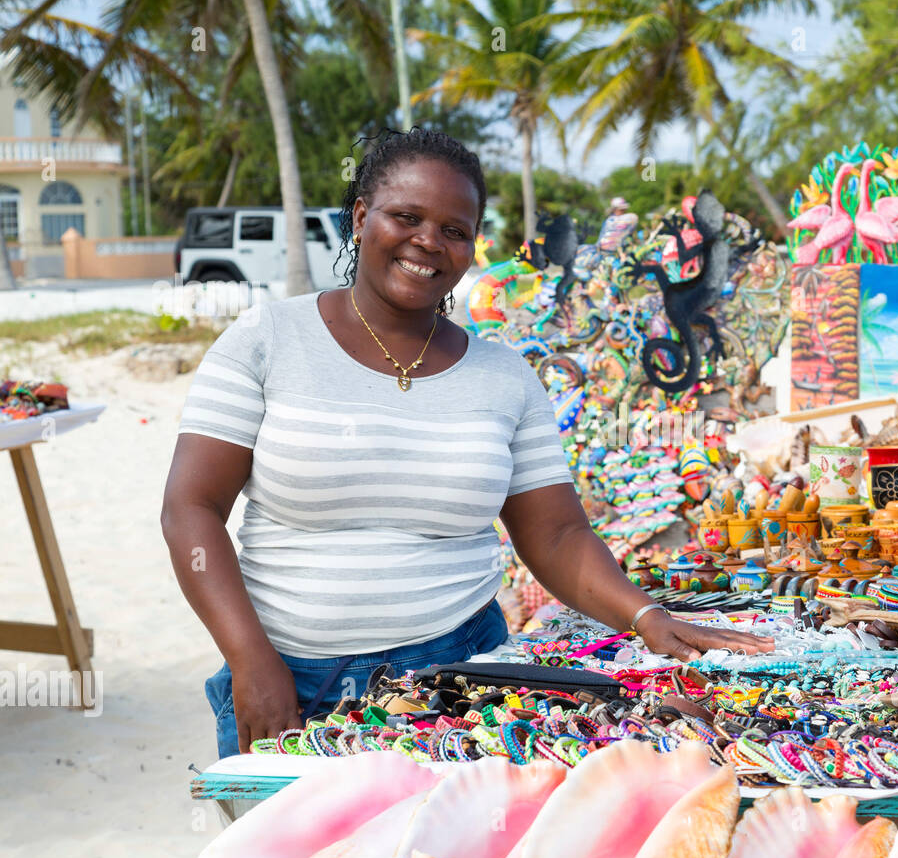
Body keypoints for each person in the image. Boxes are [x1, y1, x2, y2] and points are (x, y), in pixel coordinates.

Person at [161, 129, 772, 758]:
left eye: (456, 230)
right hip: (289, 681)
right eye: (406, 217)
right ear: (361, 217)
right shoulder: (267, 338)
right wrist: (249, 656)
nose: (429, 242)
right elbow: (191, 509)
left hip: (462, 684)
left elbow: (557, 535)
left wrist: (646, 617)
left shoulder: (505, 376)